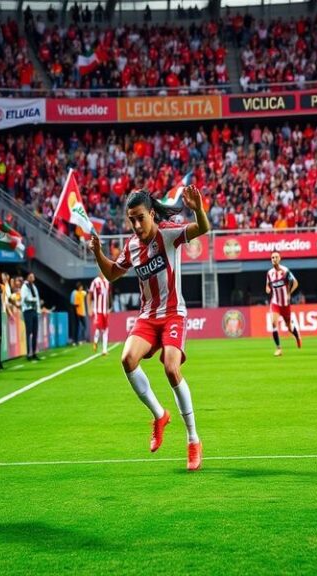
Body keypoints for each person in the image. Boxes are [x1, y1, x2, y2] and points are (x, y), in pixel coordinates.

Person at [87, 187, 210, 471]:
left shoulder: (168, 233)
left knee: (170, 367)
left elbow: (203, 228)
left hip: (173, 314)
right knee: (127, 359)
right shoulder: (131, 245)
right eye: (132, 220)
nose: (137, 225)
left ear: (152, 214)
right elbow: (112, 274)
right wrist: (97, 253)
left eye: (140, 218)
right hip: (147, 316)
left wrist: (198, 208)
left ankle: (193, 439)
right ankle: (159, 415)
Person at [265, 251, 302, 356]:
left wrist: (289, 292)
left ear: (280, 258)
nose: (274, 259)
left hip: (285, 304)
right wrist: (267, 289)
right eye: (272, 257)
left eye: (276, 257)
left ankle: (297, 336)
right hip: (275, 302)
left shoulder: (285, 271)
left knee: (289, 326)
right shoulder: (269, 273)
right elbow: (267, 285)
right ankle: (279, 349)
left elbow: (295, 283)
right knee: (273, 323)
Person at [88, 271, 110, 355]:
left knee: (106, 329)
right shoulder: (95, 282)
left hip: (105, 310)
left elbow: (107, 296)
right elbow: (89, 295)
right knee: (98, 328)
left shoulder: (107, 282)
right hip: (97, 310)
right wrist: (90, 308)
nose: (102, 273)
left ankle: (104, 350)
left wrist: (108, 307)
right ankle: (95, 341)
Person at [21, 272, 41, 361]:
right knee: (29, 333)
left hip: (34, 310)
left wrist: (38, 310)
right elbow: (24, 298)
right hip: (27, 310)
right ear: (27, 277)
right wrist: (33, 300)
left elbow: (37, 299)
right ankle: (28, 353)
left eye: (33, 276)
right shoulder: (25, 287)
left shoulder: (34, 287)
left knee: (35, 332)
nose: (32, 278)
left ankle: (34, 352)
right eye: (30, 276)